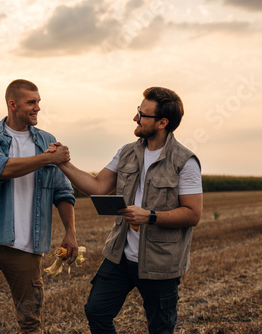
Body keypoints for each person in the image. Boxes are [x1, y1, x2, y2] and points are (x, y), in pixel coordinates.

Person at [49, 87, 203, 333]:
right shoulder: (127, 152)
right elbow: (98, 187)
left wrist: (150, 216)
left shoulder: (185, 161)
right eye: (137, 111)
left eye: (142, 114)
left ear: (162, 122)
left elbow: (193, 213)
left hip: (160, 263)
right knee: (96, 311)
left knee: (160, 327)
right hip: (120, 255)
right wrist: (63, 163)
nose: (136, 118)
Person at [0, 79, 78, 334]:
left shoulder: (47, 140)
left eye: (38, 102)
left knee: (29, 323)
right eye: (31, 102)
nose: (37, 108)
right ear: (12, 104)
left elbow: (63, 191)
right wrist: (48, 157)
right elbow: (1, 169)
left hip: (27, 247)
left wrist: (70, 233)